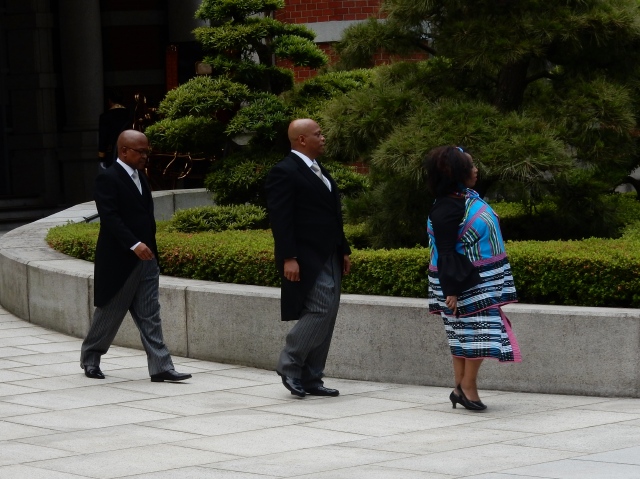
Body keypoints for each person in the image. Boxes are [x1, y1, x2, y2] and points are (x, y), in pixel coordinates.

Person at [80, 129, 192, 383]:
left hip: (147, 259)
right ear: (123, 151)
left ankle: (161, 367)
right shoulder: (108, 178)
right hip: (120, 261)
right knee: (109, 314)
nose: (145, 156)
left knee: (150, 314)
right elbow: (110, 218)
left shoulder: (141, 176)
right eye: (140, 152)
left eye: (146, 151)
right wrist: (134, 244)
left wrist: (148, 248)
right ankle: (91, 358)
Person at [425, 145, 521, 410]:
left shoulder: (463, 197)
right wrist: (451, 290)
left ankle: (459, 388)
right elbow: (445, 252)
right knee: (479, 332)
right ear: (455, 173)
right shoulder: (447, 208)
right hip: (461, 280)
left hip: (471, 277)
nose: (475, 170)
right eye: (469, 166)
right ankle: (468, 387)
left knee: (464, 333)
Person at [265, 119, 351, 398]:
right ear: (302, 139)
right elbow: (281, 219)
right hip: (305, 256)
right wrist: (288, 257)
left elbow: (332, 215)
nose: (323, 137)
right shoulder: (284, 171)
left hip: (329, 253)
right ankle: (289, 364)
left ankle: (312, 377)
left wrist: (343, 249)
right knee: (320, 309)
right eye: (318, 134)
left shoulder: (319, 170)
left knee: (329, 313)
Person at [98, 89, 133, 169]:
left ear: (109, 101)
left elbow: (103, 137)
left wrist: (102, 156)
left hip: (112, 152)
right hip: (129, 150)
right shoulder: (129, 114)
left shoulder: (105, 116)